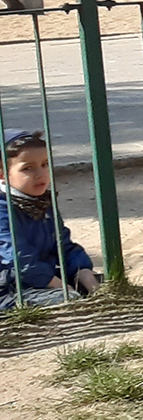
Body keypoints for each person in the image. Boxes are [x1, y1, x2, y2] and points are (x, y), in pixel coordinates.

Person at [0, 129, 98, 308]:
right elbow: (20, 259)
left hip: (43, 276)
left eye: (45, 164)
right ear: (3, 174)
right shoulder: (2, 209)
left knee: (101, 282)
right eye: (28, 168)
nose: (41, 174)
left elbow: (63, 244)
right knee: (66, 299)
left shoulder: (42, 201)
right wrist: (60, 286)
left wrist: (82, 271)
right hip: (9, 286)